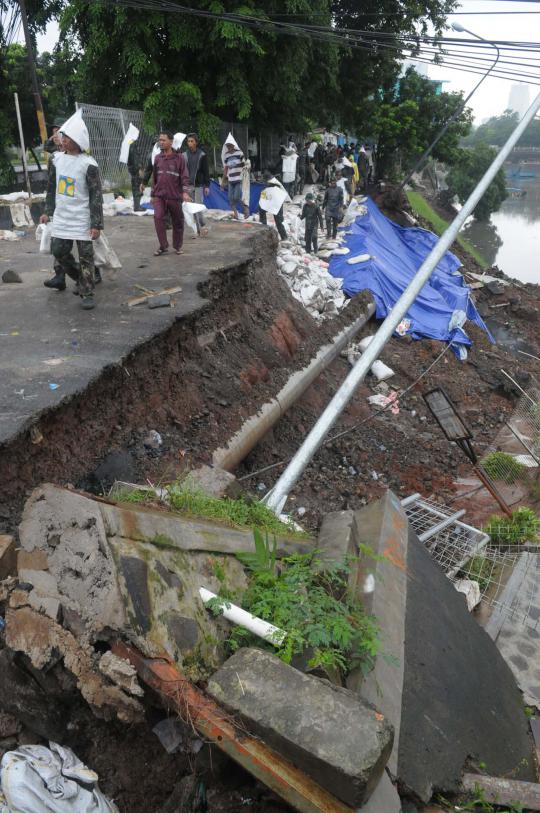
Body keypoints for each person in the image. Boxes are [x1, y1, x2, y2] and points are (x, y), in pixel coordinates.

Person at [40, 110, 103, 310]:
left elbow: (96, 197)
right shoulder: (56, 160)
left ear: (77, 141)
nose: (62, 140)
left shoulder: (89, 164)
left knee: (86, 257)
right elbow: (51, 188)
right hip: (62, 217)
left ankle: (87, 293)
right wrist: (47, 211)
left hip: (82, 218)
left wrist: (96, 224)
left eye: (66, 137)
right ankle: (80, 278)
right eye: (63, 137)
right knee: (58, 250)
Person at [141, 130, 190, 256]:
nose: (161, 142)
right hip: (160, 196)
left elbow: (184, 177)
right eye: (160, 140)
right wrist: (152, 194)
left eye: (163, 140)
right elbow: (155, 178)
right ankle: (163, 246)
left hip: (174, 196)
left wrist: (185, 192)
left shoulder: (180, 158)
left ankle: (178, 246)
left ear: (171, 141)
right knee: (158, 218)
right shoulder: (157, 158)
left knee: (178, 221)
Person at [183, 132, 210, 237]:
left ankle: (203, 226)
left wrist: (207, 185)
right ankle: (197, 231)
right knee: (191, 209)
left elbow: (205, 171)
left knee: (197, 208)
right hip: (188, 186)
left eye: (192, 141)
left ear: (196, 143)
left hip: (198, 186)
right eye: (188, 141)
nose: (190, 143)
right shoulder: (184, 155)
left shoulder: (202, 155)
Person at [221, 134, 248, 220]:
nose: (229, 147)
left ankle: (245, 208)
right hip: (230, 180)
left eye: (230, 145)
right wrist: (223, 181)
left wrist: (247, 166)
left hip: (238, 179)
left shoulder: (239, 153)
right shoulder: (226, 155)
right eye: (227, 145)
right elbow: (226, 168)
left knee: (237, 197)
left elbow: (245, 164)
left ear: (233, 145)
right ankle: (236, 214)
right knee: (230, 199)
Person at [258, 170, 288, 241]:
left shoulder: (275, 183)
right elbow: (264, 194)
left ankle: (284, 236)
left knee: (278, 221)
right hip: (269, 201)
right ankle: (264, 230)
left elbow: (278, 195)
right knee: (261, 210)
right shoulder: (267, 184)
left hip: (277, 203)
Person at [127, 138, 142, 212]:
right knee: (137, 188)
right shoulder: (133, 146)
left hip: (132, 170)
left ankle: (137, 206)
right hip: (135, 171)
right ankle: (137, 207)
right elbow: (135, 160)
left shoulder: (128, 145)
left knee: (135, 188)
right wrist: (139, 168)